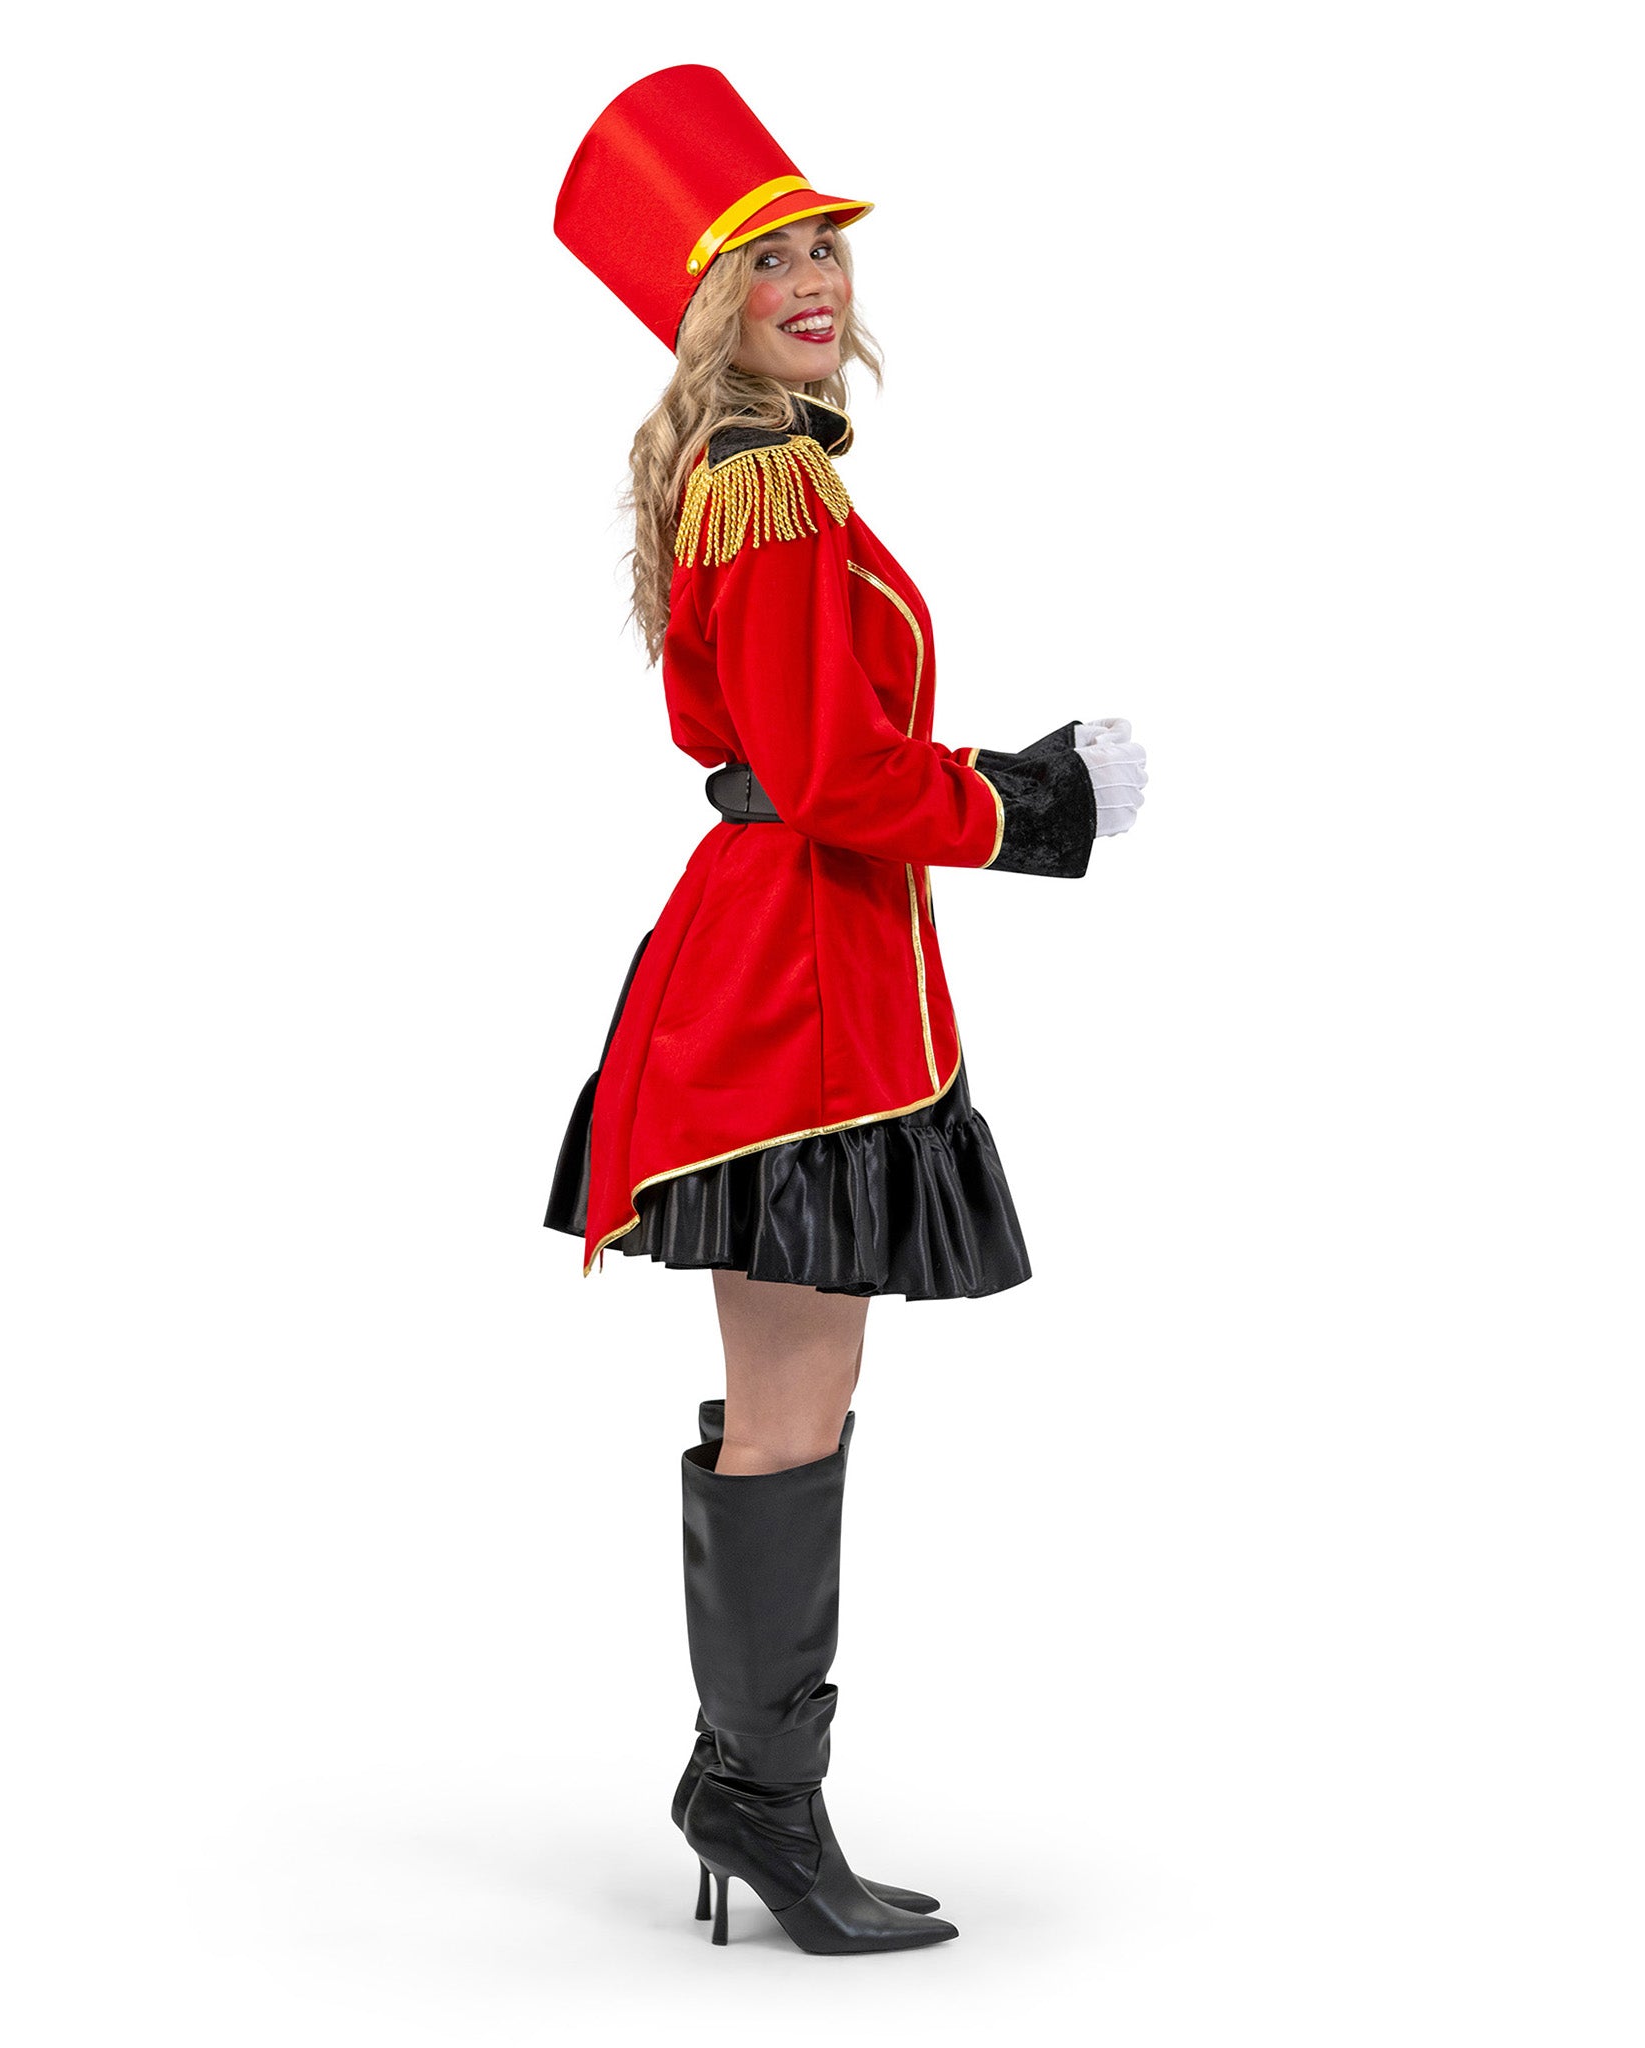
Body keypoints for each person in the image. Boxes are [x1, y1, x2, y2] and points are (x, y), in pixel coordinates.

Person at [546, 65, 1148, 1955]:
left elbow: (804, 756)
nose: (811, 280)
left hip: (799, 965)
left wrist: (982, 785)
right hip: (795, 996)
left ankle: (756, 1787)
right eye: (768, 258)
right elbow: (831, 776)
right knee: (798, 1405)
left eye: (822, 249)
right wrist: (1035, 803)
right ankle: (759, 1797)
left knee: (797, 1398)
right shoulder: (774, 493)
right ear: (707, 303)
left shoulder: (752, 477)